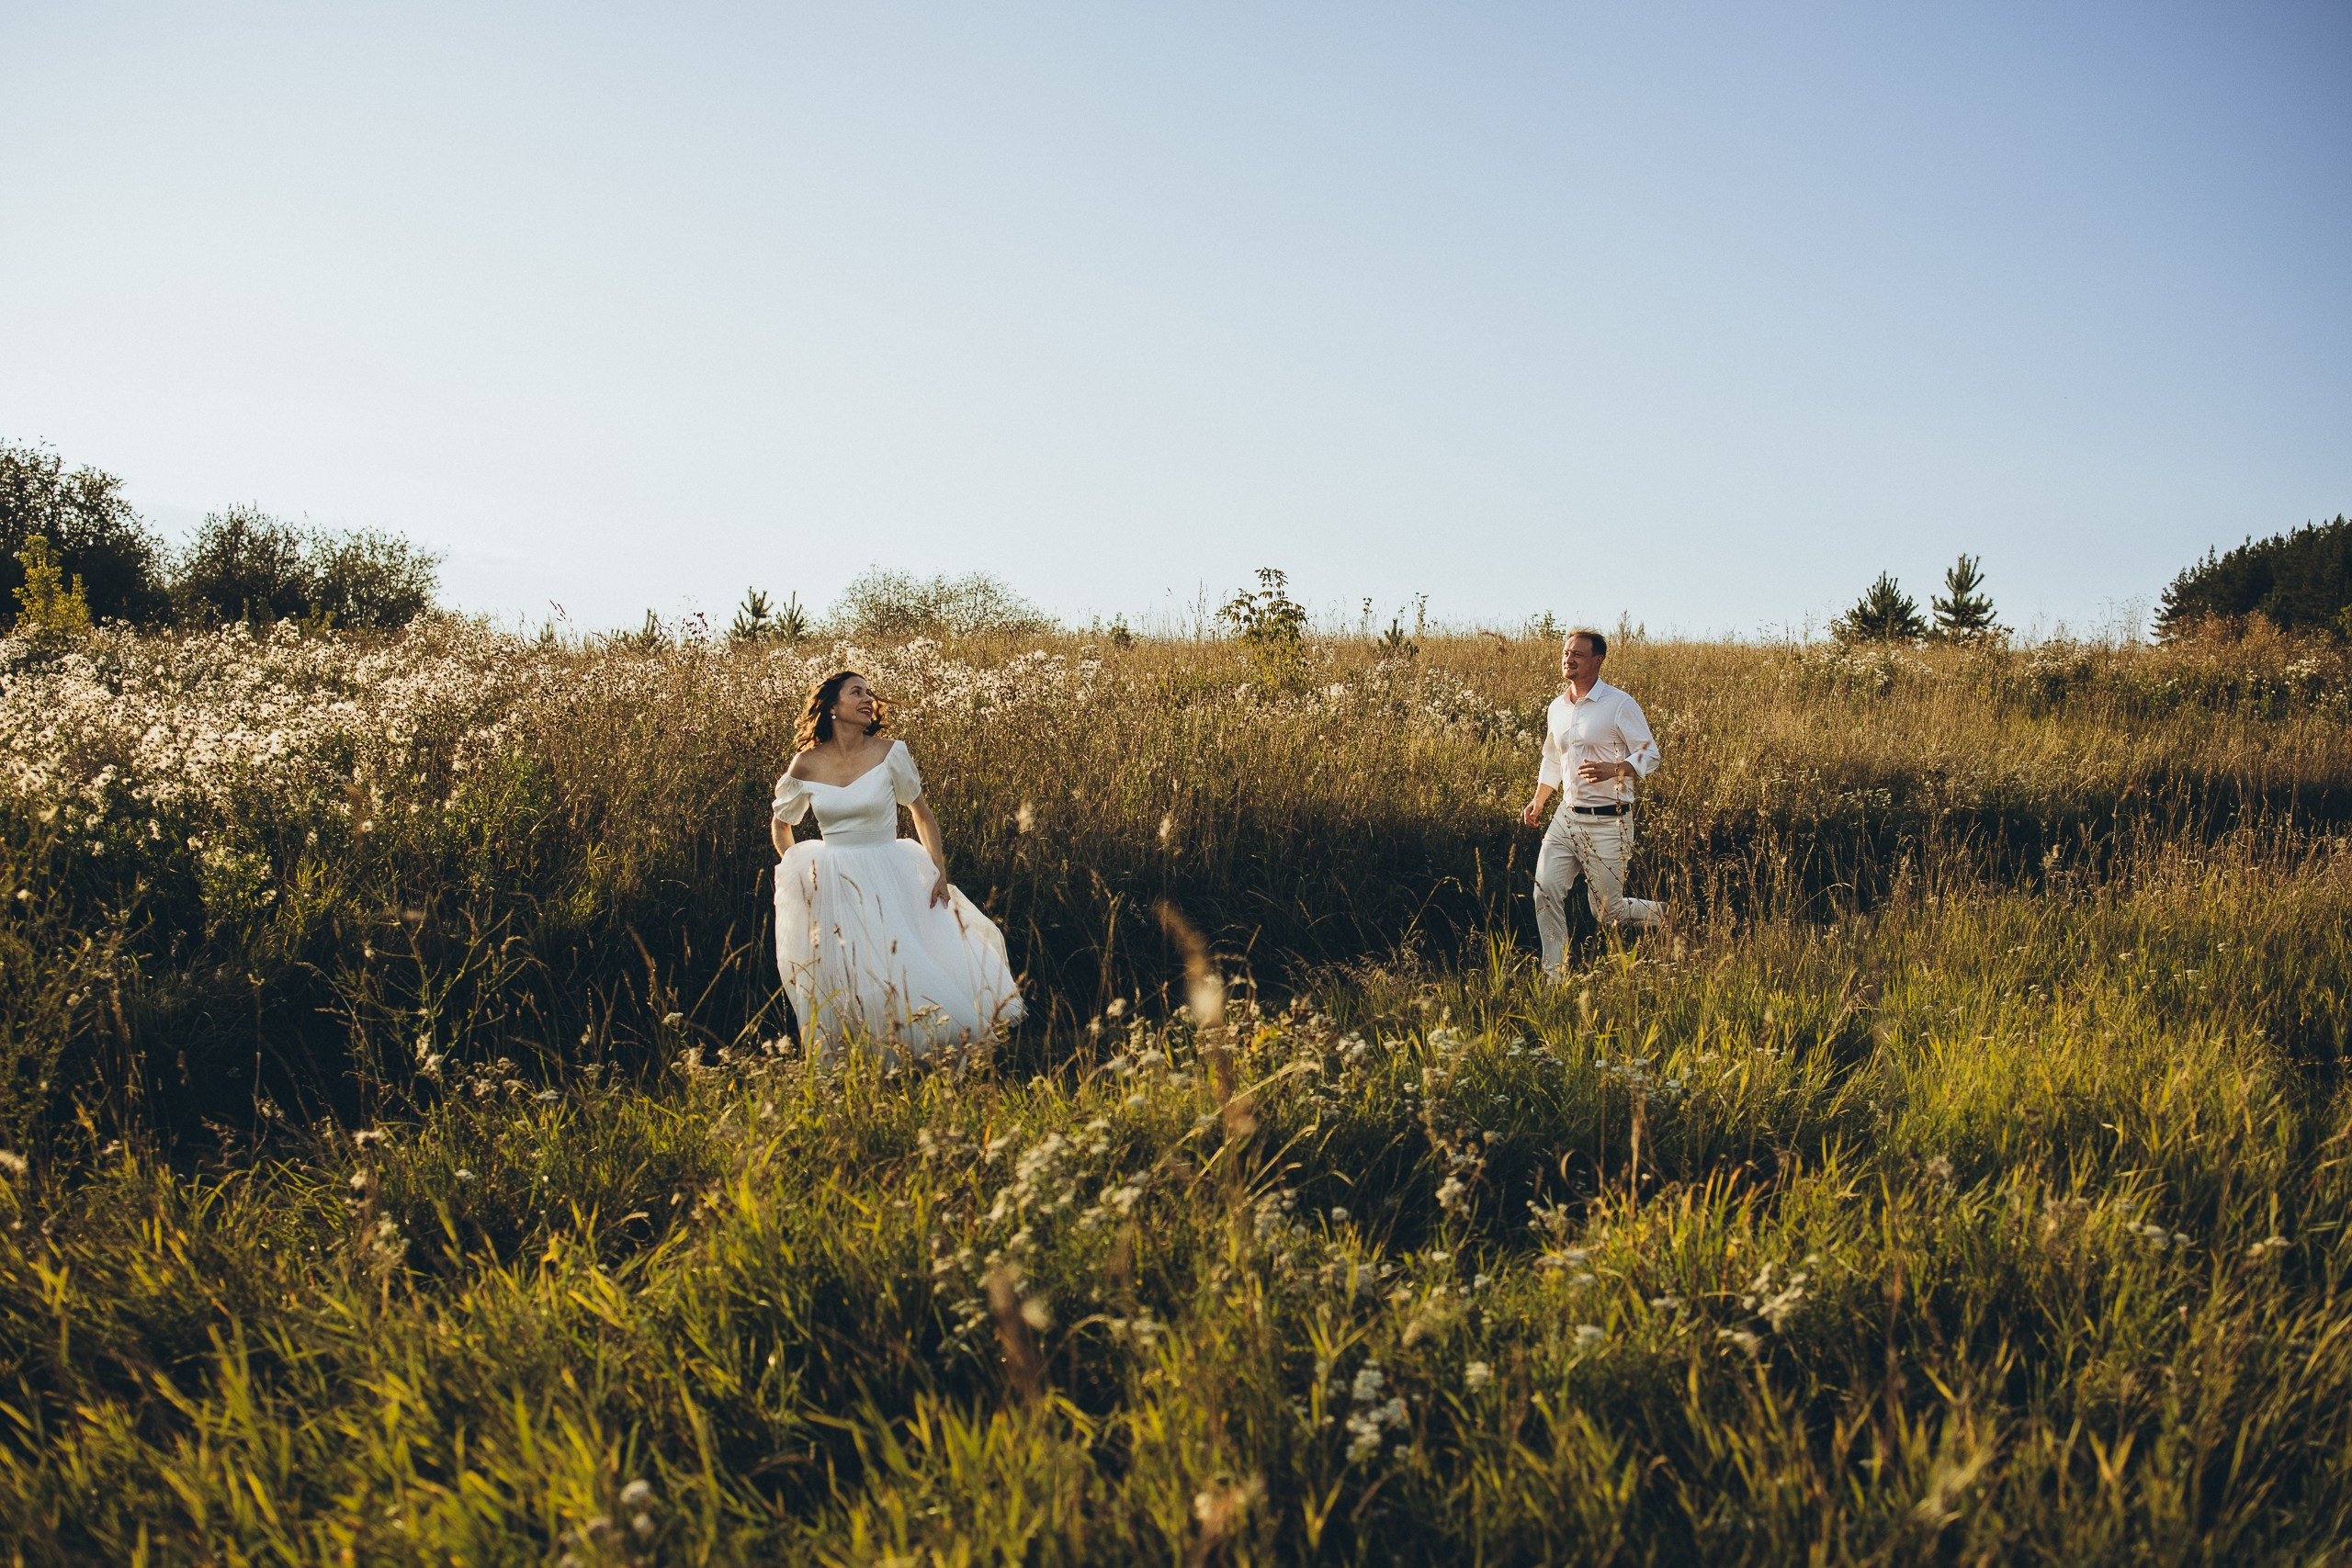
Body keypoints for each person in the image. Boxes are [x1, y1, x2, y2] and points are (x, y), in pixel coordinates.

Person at [771, 670, 1023, 1059]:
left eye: (869, 692)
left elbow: (921, 813)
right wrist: (800, 874)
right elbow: (782, 823)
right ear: (833, 707)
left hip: (892, 871)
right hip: (838, 880)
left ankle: (933, 1047)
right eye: (857, 692)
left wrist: (940, 873)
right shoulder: (806, 763)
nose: (868, 698)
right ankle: (869, 1057)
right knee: (855, 971)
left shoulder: (891, 752)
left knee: (903, 961)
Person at [1519, 627, 1665, 971]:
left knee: (1606, 912)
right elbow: (1553, 758)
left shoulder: (1618, 704)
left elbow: (1651, 754)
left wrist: (1615, 769)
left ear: (1597, 661)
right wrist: (1540, 800)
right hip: (1565, 819)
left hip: (1609, 822)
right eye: (1566, 653)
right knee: (1544, 893)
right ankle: (1553, 976)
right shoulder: (1557, 707)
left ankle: (1666, 914)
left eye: (1578, 654)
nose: (1568, 659)